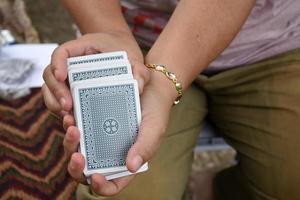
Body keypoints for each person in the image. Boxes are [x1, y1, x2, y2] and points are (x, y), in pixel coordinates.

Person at [42, 0, 300, 199]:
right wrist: (110, 33)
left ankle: (215, 189)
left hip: (271, 45)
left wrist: (161, 87)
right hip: (137, 40)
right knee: (124, 190)